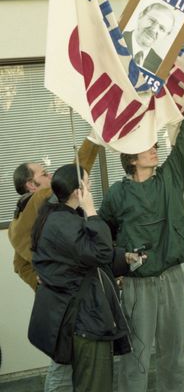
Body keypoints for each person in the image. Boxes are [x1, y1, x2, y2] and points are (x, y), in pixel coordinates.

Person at [99, 68, 184, 392]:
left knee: (174, 355)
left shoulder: (171, 178)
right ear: (131, 160)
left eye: (154, 145)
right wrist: (118, 264)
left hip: (173, 277)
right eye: (147, 147)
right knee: (136, 358)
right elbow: (102, 235)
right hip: (138, 285)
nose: (154, 149)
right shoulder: (117, 194)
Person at [30, 164, 138, 392]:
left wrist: (122, 258)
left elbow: (87, 258)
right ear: (77, 190)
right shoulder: (63, 222)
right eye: (88, 183)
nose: (91, 187)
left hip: (80, 317)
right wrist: (91, 212)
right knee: (95, 385)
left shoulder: (60, 217)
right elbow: (100, 252)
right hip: (85, 320)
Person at [8, 138, 99, 392]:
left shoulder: (25, 214)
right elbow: (75, 173)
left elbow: (19, 265)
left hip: (61, 298)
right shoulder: (38, 202)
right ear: (31, 185)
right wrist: (93, 140)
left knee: (65, 361)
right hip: (66, 300)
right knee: (63, 365)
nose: (51, 177)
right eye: (45, 174)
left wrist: (39, 281)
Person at [123, 2, 175, 72]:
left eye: (162, 29)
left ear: (166, 36)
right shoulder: (117, 38)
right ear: (141, 16)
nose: (154, 29)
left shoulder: (159, 66)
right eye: (152, 20)